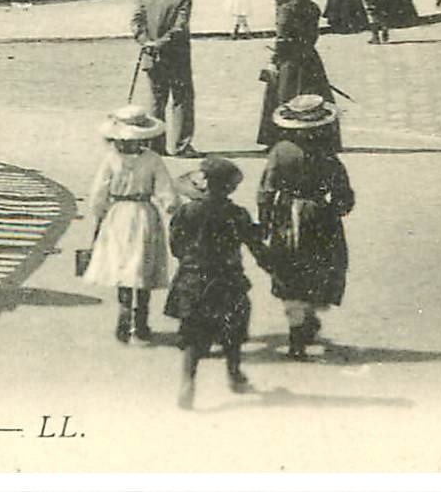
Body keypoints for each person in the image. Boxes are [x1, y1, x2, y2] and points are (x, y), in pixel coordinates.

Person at [165, 156, 270, 409]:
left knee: (192, 333)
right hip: (228, 279)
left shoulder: (187, 211)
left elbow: (176, 246)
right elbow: (256, 245)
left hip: (192, 277)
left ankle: (187, 382)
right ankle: (234, 374)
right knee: (233, 329)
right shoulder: (237, 214)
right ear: (230, 187)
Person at [257, 95, 356, 360]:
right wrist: (333, 212)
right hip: (320, 218)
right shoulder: (328, 157)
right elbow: (344, 196)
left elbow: (266, 191)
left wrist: (265, 221)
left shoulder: (280, 152)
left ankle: (296, 333)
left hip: (287, 217)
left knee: (289, 272)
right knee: (317, 268)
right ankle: (308, 317)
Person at [82, 105, 181, 343]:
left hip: (118, 215)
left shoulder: (111, 159)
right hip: (144, 213)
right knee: (142, 267)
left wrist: (99, 214)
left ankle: (124, 317)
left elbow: (98, 193)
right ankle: (141, 320)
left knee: (123, 266)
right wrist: (170, 205)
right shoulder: (153, 159)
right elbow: (165, 190)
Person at [132, 0, 200, 157]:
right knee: (181, 99)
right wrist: (161, 43)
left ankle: (155, 145)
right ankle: (181, 146)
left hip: (151, 56)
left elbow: (136, 23)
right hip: (176, 57)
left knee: (156, 100)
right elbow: (179, 27)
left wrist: (146, 42)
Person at [257, 0, 340, 150]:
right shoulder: (312, 7)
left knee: (284, 96)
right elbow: (313, 35)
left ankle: (286, 139)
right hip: (309, 57)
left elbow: (282, 40)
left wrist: (274, 60)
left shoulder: (286, 9)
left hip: (289, 61)